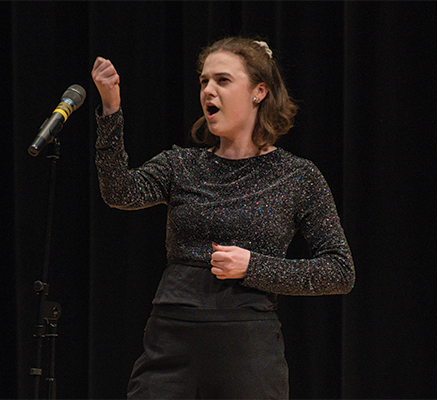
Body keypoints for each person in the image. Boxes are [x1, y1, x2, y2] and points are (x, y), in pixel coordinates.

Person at [91, 36, 355, 400]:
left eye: (222, 81)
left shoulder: (297, 176)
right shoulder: (181, 164)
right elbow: (119, 192)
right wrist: (110, 109)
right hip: (172, 339)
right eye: (204, 81)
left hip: (247, 348)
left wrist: (255, 266)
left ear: (259, 91)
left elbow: (340, 272)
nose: (208, 91)